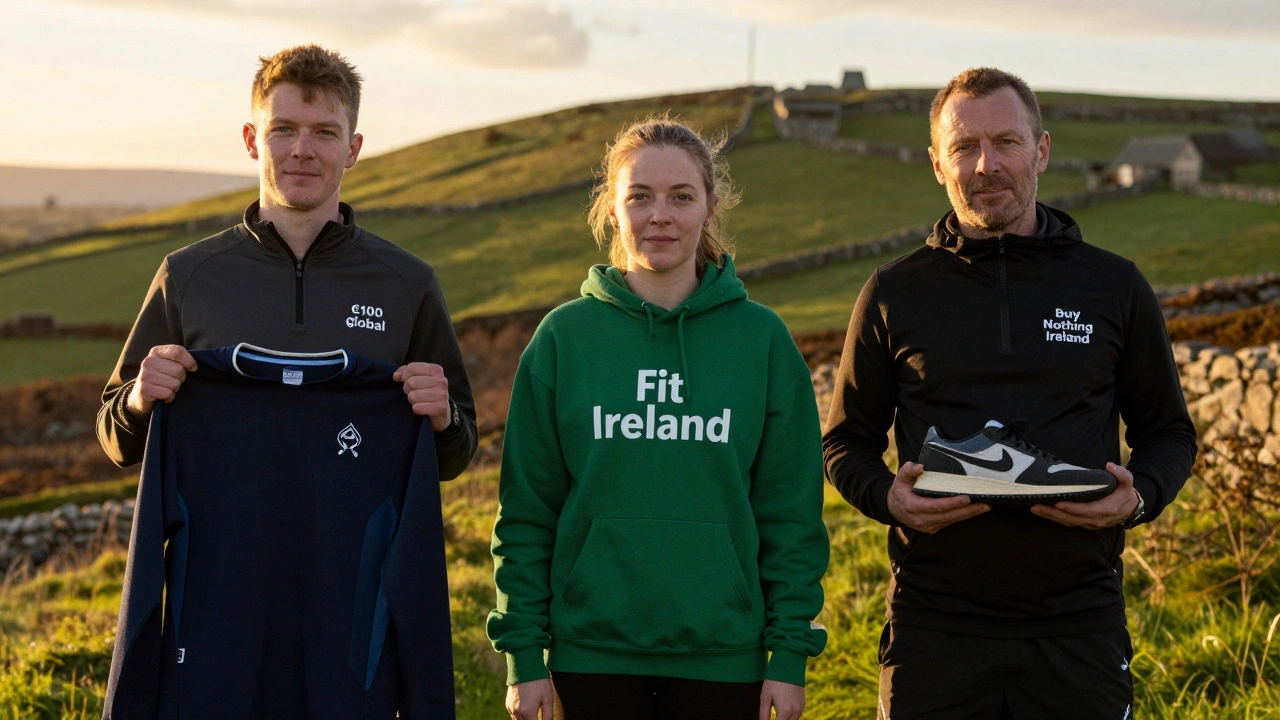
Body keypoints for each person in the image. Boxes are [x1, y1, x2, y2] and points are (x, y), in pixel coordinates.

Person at [822, 67, 1197, 719]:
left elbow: (1168, 432)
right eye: (965, 147)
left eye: (1007, 142)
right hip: (934, 624)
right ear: (938, 163)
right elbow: (845, 441)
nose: (986, 164)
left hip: (1078, 623)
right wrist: (888, 498)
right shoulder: (894, 292)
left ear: (1043, 150)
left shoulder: (1112, 286)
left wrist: (1138, 499)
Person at [487, 118, 829, 720]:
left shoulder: (763, 341)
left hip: (727, 657)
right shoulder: (564, 339)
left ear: (710, 206)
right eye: (639, 196)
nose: (660, 215)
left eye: (681, 196)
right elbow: (526, 513)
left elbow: (790, 516)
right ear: (613, 211)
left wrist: (788, 655)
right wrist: (524, 656)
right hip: (588, 658)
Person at [95, 44, 476, 479]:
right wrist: (137, 399)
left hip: (358, 546)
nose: (302, 150)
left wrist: (445, 418)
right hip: (221, 545)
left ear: (352, 149)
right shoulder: (187, 275)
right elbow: (116, 442)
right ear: (251, 140)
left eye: (325, 133)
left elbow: (456, 457)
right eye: (283, 129)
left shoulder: (408, 283)